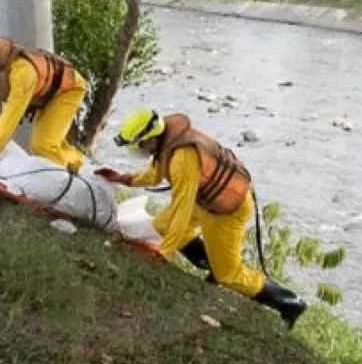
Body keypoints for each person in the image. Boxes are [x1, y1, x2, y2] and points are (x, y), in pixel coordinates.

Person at [97, 108, 307, 328]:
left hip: (226, 210)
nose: (139, 151)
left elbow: (181, 210)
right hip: (205, 200)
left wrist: (164, 253)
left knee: (229, 274)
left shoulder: (182, 159)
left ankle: (290, 303)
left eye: (139, 146)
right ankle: (212, 265)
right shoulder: (166, 142)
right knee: (162, 224)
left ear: (149, 139)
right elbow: (154, 175)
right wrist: (124, 178)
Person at [0, 32, 86, 172]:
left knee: (43, 144)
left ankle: (76, 177)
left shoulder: (22, 72)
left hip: (68, 90)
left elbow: (10, 116)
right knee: (50, 143)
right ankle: (78, 163)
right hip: (44, 93)